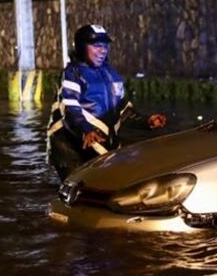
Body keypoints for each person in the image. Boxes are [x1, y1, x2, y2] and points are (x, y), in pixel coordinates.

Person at [47, 24, 166, 179]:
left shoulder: (111, 73)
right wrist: (86, 130)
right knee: (79, 188)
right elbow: (70, 110)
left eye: (105, 46)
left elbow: (123, 109)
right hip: (71, 147)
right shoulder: (72, 73)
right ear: (82, 47)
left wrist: (146, 121)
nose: (103, 50)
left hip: (100, 140)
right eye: (97, 46)